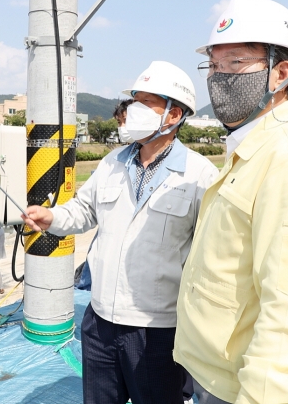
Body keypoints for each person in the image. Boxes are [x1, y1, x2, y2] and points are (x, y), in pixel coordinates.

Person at [174, 0, 288, 404]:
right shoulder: (252, 147)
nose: (219, 78)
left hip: (249, 390)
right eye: (214, 66)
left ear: (280, 73)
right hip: (218, 376)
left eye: (235, 64)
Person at [22, 60, 218, 404]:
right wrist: (51, 217)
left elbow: (212, 254)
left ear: (174, 116)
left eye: (146, 103)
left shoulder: (199, 175)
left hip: (159, 329)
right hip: (99, 323)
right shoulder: (112, 162)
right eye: (133, 102)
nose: (133, 112)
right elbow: (83, 211)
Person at [75, 98, 134, 291]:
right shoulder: (111, 160)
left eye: (126, 121)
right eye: (119, 123)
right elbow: (85, 207)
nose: (122, 128)